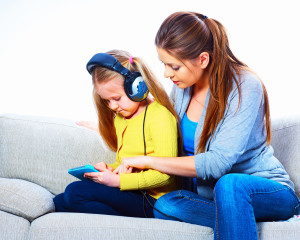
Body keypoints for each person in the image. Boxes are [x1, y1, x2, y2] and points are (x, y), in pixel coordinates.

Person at [116, 12, 300, 239]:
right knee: (166, 205)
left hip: (267, 192)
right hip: (210, 198)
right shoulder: (182, 88)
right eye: (163, 64)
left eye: (174, 66)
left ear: (203, 59)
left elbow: (217, 163)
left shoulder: (244, 86)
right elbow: (162, 125)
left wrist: (147, 161)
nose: (166, 74)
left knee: (229, 184)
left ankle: (242, 213)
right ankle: (237, 217)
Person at [53, 49, 180, 218]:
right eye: (107, 101)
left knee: (75, 193)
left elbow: (167, 176)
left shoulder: (160, 117)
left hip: (154, 201)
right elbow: (124, 163)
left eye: (117, 98)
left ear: (137, 87)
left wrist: (118, 181)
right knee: (59, 201)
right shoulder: (121, 118)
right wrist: (109, 170)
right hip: (133, 192)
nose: (112, 106)